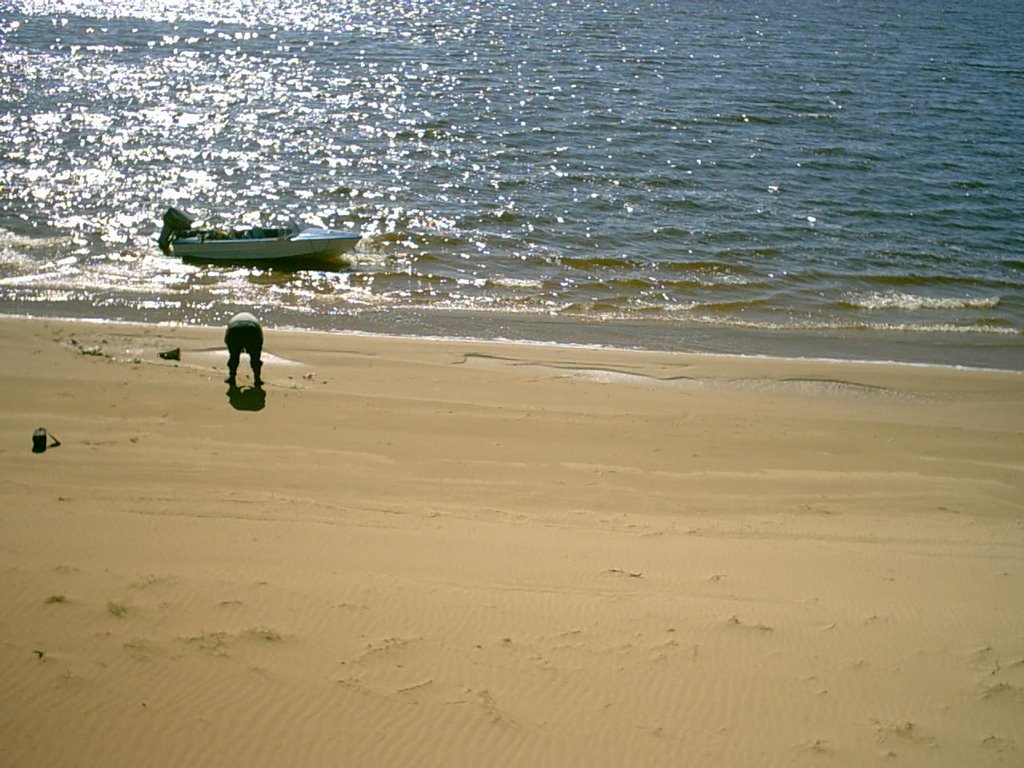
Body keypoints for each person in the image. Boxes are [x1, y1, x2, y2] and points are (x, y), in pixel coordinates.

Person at [225, 312, 263, 386]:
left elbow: (227, 339)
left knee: (234, 357)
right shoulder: (255, 320)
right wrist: (253, 349)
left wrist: (235, 349)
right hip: (253, 329)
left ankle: (231, 377)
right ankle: (257, 378)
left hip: (234, 329)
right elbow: (260, 339)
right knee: (255, 358)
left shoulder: (233, 319)